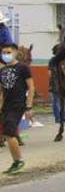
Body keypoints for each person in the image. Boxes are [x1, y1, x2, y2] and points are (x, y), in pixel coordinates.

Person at [1, 43, 33, 174]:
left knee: (9, 132)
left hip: (18, 104)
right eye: (3, 52)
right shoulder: (2, 70)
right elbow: (1, 91)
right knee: (8, 133)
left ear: (15, 53)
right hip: (6, 105)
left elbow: (31, 87)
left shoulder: (23, 68)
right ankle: (16, 161)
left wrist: (29, 106)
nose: (5, 55)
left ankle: (18, 161)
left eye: (8, 52)